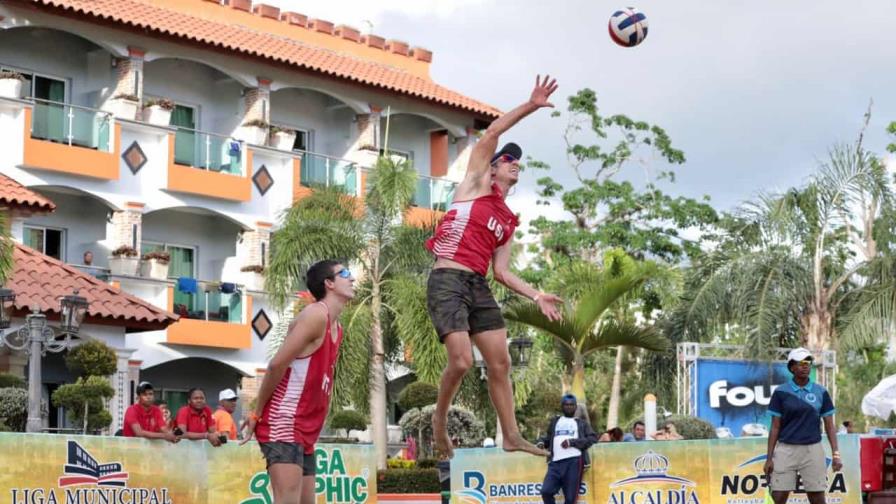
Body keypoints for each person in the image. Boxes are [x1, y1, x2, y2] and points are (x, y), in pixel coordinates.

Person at [425, 75, 563, 459]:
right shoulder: (472, 185)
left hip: (478, 286)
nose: (516, 165)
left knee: (501, 363)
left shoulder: (507, 219)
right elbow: (495, 131)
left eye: (519, 163)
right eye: (509, 161)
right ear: (493, 167)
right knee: (462, 361)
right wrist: (531, 105)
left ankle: (512, 435)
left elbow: (502, 272)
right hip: (447, 280)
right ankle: (439, 421)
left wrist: (537, 294)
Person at [241, 260, 355, 504]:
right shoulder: (315, 315)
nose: (352, 278)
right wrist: (256, 414)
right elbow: (276, 365)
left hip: (306, 429)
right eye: (345, 273)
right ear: (329, 283)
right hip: (284, 420)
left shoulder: (336, 327)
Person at [764, 348, 841, 504]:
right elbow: (775, 427)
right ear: (792, 367)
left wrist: (836, 454)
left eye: (808, 363)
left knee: (817, 499)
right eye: (801, 363)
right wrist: (769, 458)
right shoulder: (781, 392)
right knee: (778, 497)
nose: (806, 366)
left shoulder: (821, 392)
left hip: (813, 450)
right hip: (786, 450)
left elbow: (830, 426)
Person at [535, 394, 597, 504]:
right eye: (566, 405)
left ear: (576, 407)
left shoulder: (581, 423)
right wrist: (541, 442)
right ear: (562, 406)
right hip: (555, 464)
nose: (569, 407)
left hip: (574, 463)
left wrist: (571, 442)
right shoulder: (555, 421)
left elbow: (592, 438)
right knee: (546, 491)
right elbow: (549, 438)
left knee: (570, 499)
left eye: (571, 405)